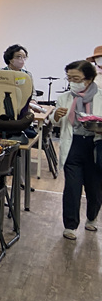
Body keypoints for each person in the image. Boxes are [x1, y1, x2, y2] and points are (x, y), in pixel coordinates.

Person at [49, 60, 102, 240]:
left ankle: (92, 217)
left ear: (89, 79)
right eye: (69, 78)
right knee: (72, 187)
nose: (72, 82)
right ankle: (70, 225)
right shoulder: (65, 97)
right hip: (73, 145)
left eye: (76, 78)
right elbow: (55, 122)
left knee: (94, 188)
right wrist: (56, 116)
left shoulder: (100, 96)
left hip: (95, 145)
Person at [2, 44, 42, 112]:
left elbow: (33, 92)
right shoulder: (1, 73)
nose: (22, 60)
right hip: (5, 109)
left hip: (23, 110)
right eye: (19, 57)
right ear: (10, 59)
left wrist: (33, 101)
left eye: (24, 57)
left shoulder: (27, 75)